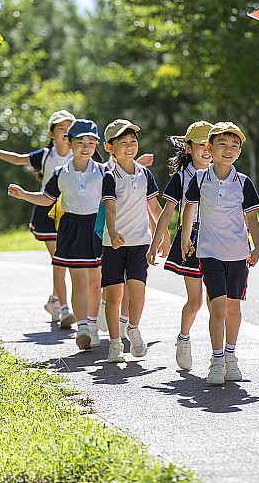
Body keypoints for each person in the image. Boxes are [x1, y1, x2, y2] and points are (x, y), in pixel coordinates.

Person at [7, 119, 107, 351]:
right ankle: (82, 328)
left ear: (96, 146)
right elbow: (47, 198)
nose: (85, 147)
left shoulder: (103, 171)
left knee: (96, 282)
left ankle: (92, 325)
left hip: (97, 229)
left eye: (91, 142)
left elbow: (114, 201)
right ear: (69, 143)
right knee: (79, 281)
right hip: (71, 229)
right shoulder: (61, 172)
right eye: (80, 141)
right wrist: (23, 195)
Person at [180, 122, 259, 385]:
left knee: (233, 308)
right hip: (210, 253)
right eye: (222, 145)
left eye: (234, 146)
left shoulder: (243, 182)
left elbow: (252, 216)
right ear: (209, 148)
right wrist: (185, 238)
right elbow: (190, 209)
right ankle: (216, 361)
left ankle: (231, 357)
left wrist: (256, 244)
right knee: (217, 308)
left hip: (238, 254)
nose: (228, 150)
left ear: (240, 152)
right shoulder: (199, 179)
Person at [0, 110, 74, 326]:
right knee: (60, 260)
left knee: (67, 261)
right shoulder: (44, 156)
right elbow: (17, 159)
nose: (66, 133)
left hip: (73, 211)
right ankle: (64, 308)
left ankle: (54, 301)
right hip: (47, 210)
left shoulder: (81, 153)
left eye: (70, 129)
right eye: (61, 128)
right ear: (51, 133)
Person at [147, 121, 214, 371]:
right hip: (191, 241)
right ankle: (184, 339)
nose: (207, 150)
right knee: (195, 301)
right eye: (200, 146)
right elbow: (166, 213)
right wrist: (155, 243)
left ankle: (219, 353)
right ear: (187, 148)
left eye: (210, 144)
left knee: (216, 301)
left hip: (220, 239)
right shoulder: (182, 177)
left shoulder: (225, 172)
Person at [100, 120, 166, 362]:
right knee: (115, 295)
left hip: (140, 243)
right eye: (123, 143)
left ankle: (133, 328)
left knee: (138, 290)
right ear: (110, 148)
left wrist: (164, 234)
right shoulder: (110, 176)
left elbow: (154, 207)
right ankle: (115, 343)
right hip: (114, 244)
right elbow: (110, 208)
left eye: (133, 142)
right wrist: (113, 232)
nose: (130, 147)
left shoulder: (145, 173)